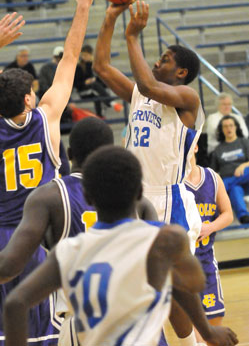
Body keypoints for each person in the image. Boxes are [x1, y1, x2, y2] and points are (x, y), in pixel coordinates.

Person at [3, 145, 239, 346]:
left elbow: (15, 303)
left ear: (89, 197)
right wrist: (208, 331)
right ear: (139, 193)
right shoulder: (165, 240)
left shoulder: (67, 251)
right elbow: (192, 283)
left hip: (78, 331)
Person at [93, 1, 206, 346]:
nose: (158, 62)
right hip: (134, 201)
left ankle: (192, 344)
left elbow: (150, 84)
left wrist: (133, 37)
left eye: (166, 59)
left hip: (169, 200)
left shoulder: (187, 98)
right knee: (141, 289)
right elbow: (100, 66)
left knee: (171, 288)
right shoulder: (140, 96)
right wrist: (110, 19)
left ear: (182, 72)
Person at [0, 0, 98, 346]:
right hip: (37, 240)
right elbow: (71, 57)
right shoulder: (47, 117)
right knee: (43, 338)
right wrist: (83, 7)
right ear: (29, 99)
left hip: (1, 237)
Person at [185, 144, 233, 343]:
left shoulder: (212, 177)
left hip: (205, 260)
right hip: (183, 265)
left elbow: (228, 214)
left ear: (196, 147)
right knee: (190, 324)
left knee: (215, 319)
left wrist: (209, 227)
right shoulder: (172, 183)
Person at [210, 115, 249, 224]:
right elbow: (213, 172)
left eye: (231, 125)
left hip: (246, 178)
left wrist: (243, 165)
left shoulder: (244, 142)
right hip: (233, 182)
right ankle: (244, 216)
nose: (229, 128)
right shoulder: (218, 149)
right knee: (235, 189)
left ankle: (224, 186)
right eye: (225, 126)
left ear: (236, 127)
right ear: (222, 130)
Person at [74, 44, 123, 118]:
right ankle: (111, 102)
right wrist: (85, 82)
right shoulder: (79, 67)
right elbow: (76, 84)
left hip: (94, 89)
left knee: (98, 94)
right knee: (95, 87)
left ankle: (100, 116)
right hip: (83, 91)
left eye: (86, 55)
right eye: (83, 55)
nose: (84, 57)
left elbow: (102, 80)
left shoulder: (94, 65)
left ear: (91, 55)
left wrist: (95, 79)